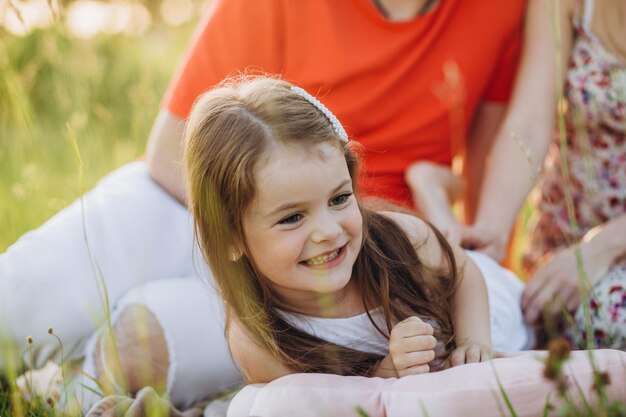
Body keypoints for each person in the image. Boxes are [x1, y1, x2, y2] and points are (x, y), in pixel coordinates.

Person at [2, 0, 526, 411]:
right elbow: (169, 153)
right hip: (204, 197)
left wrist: (475, 232)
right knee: (23, 299)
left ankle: (63, 389)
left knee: (137, 350)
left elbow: (485, 177)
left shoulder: (498, 8)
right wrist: (252, 238)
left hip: (367, 245)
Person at [182, 77, 532, 384]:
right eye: (292, 218)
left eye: (339, 199)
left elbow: (464, 274)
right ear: (230, 236)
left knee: (463, 248)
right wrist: (385, 371)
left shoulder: (402, 240)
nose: (328, 232)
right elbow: (331, 400)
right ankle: (431, 191)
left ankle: (430, 189)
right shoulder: (258, 341)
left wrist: (474, 340)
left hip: (502, 315)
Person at [458, 0, 625, 349]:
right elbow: (529, 125)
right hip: (565, 249)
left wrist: (604, 247)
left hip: (602, 251)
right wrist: (492, 232)